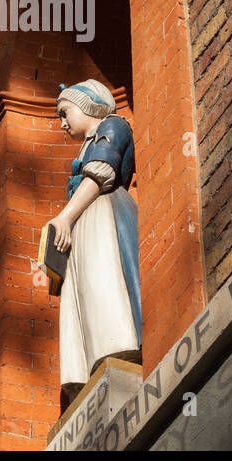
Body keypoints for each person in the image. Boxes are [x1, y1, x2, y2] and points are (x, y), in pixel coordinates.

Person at [46, 79, 141, 401]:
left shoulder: (113, 126)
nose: (62, 123)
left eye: (65, 112)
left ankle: (114, 346)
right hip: (85, 220)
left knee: (103, 279)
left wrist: (65, 217)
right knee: (83, 288)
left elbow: (101, 173)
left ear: (87, 105)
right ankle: (85, 370)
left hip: (103, 212)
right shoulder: (88, 141)